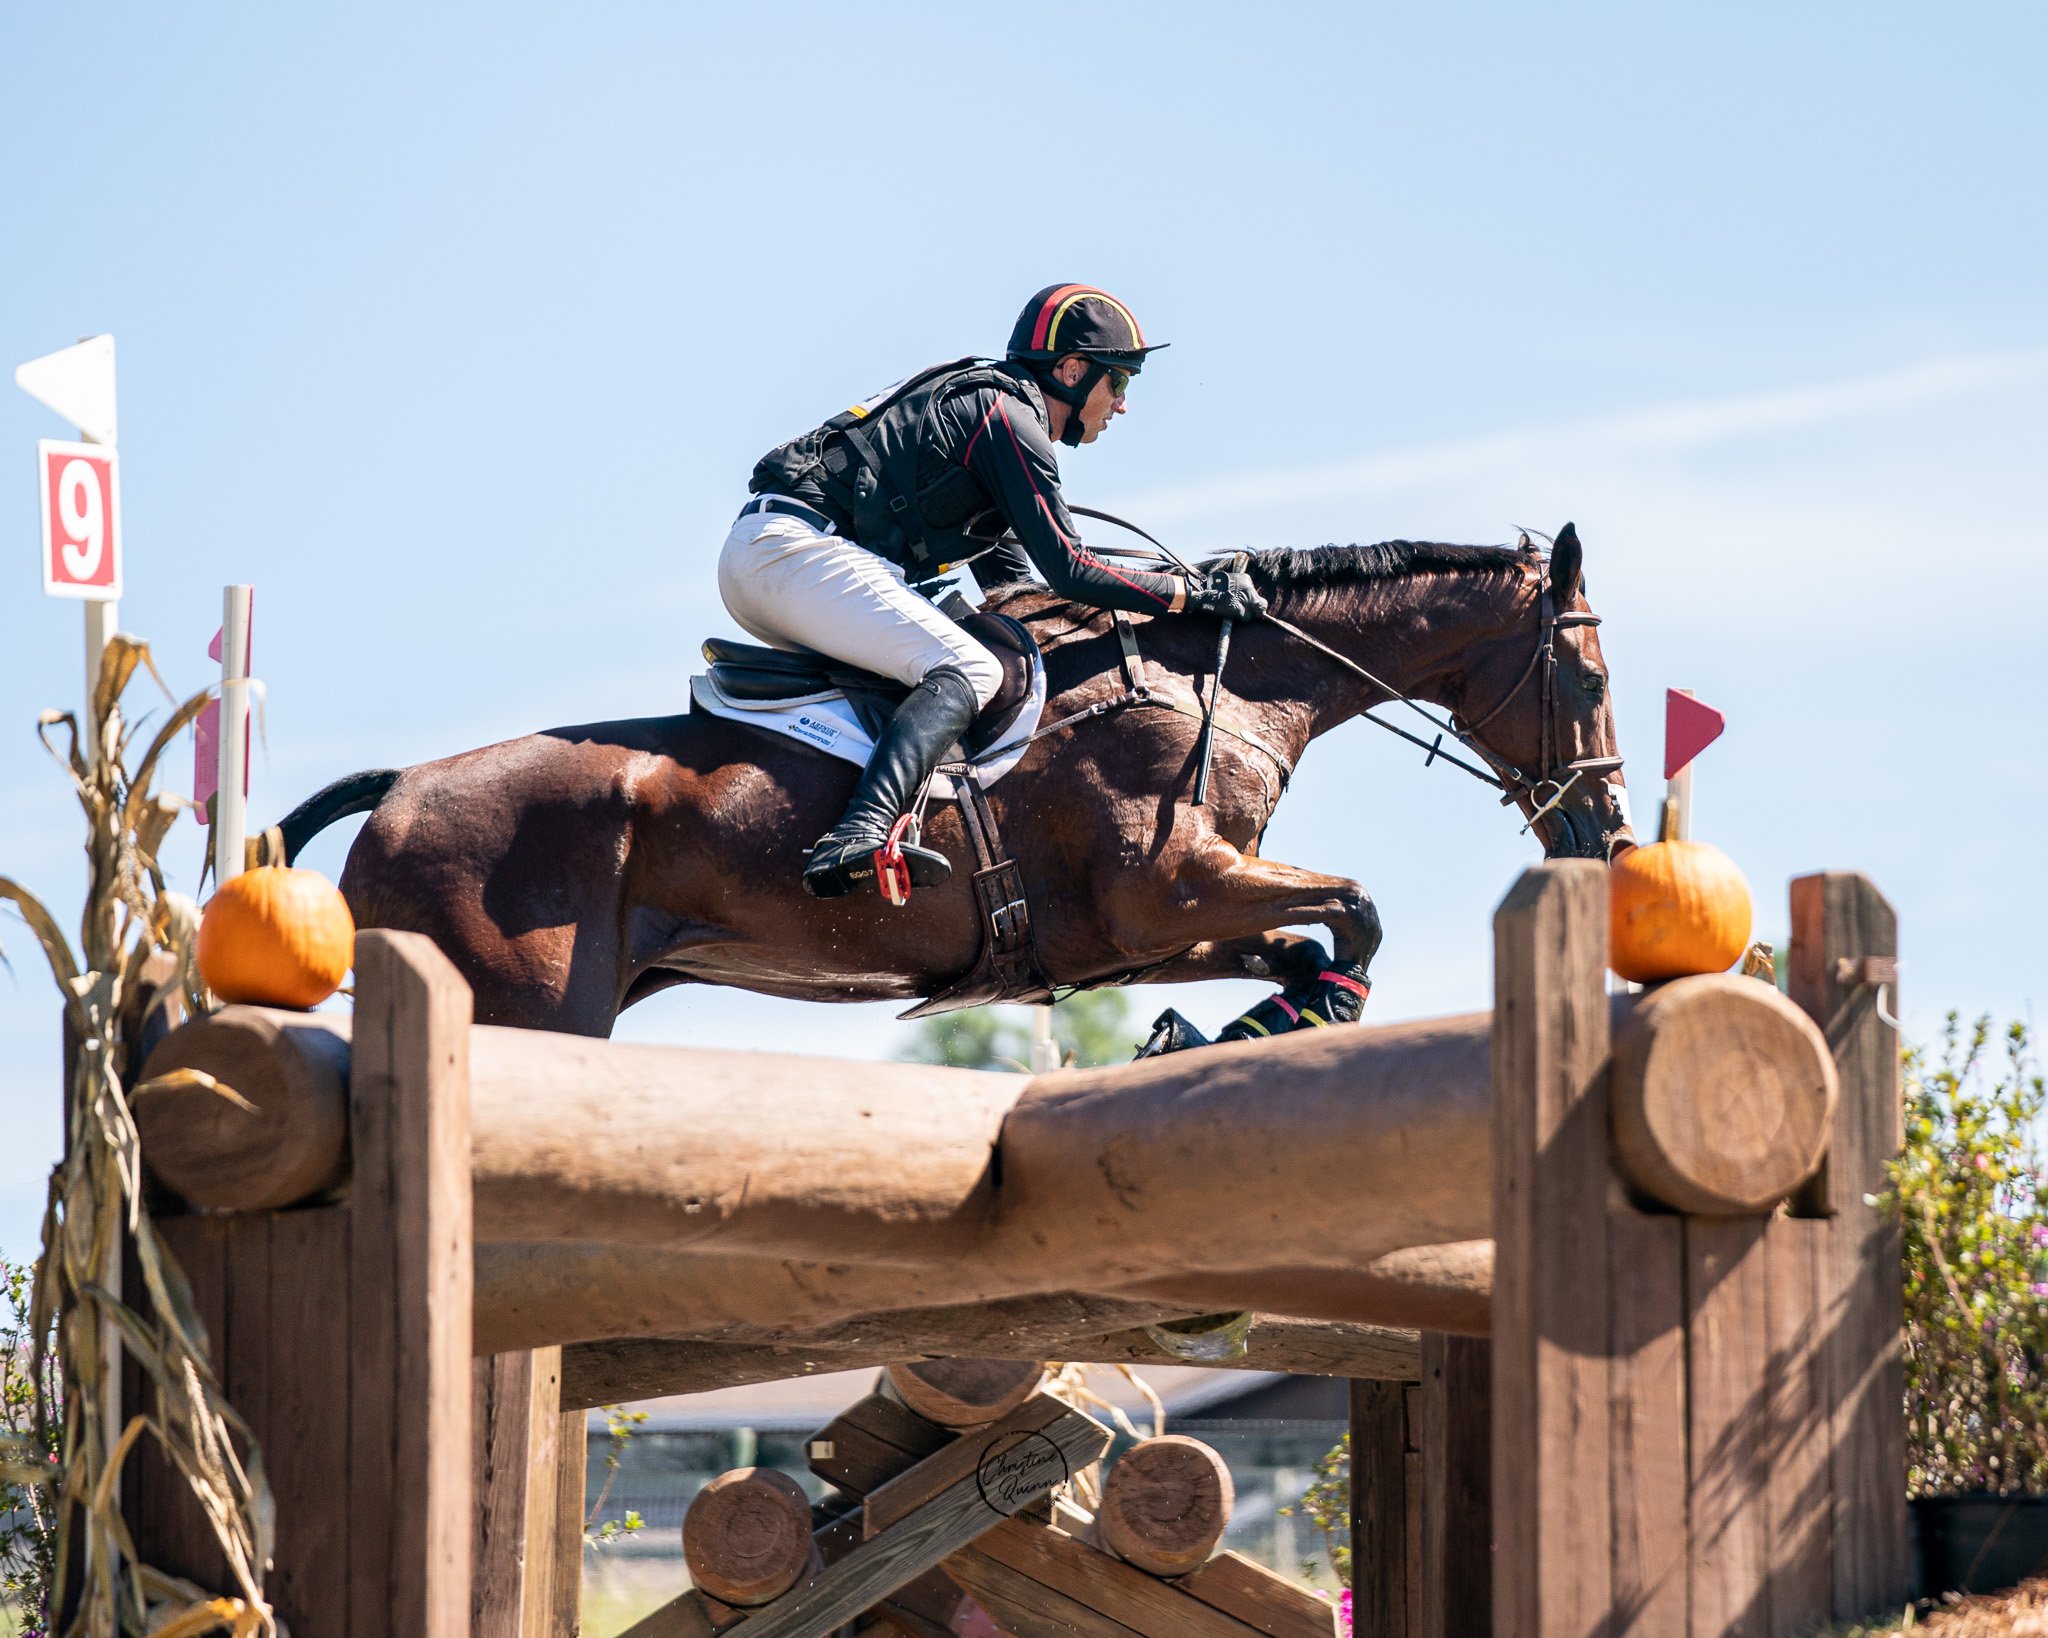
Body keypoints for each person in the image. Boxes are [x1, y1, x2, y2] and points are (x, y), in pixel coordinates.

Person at [721, 283, 1267, 900]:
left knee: (991, 655)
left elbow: (1015, 592)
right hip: (792, 554)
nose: (1120, 405)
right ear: (1070, 371)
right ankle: (863, 829)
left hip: (788, 559)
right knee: (970, 668)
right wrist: (1192, 594)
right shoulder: (1007, 420)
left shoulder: (994, 412)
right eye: (1118, 382)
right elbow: (1072, 570)